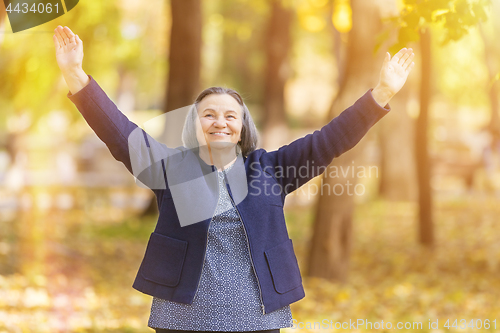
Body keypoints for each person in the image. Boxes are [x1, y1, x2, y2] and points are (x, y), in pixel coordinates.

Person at [53, 25, 414, 333]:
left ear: (242, 128)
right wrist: (76, 77)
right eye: (209, 114)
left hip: (257, 315)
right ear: (196, 126)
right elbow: (121, 135)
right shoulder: (172, 169)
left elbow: (328, 140)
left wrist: (381, 93)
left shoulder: (271, 170)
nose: (220, 122)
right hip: (183, 315)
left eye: (230, 115)